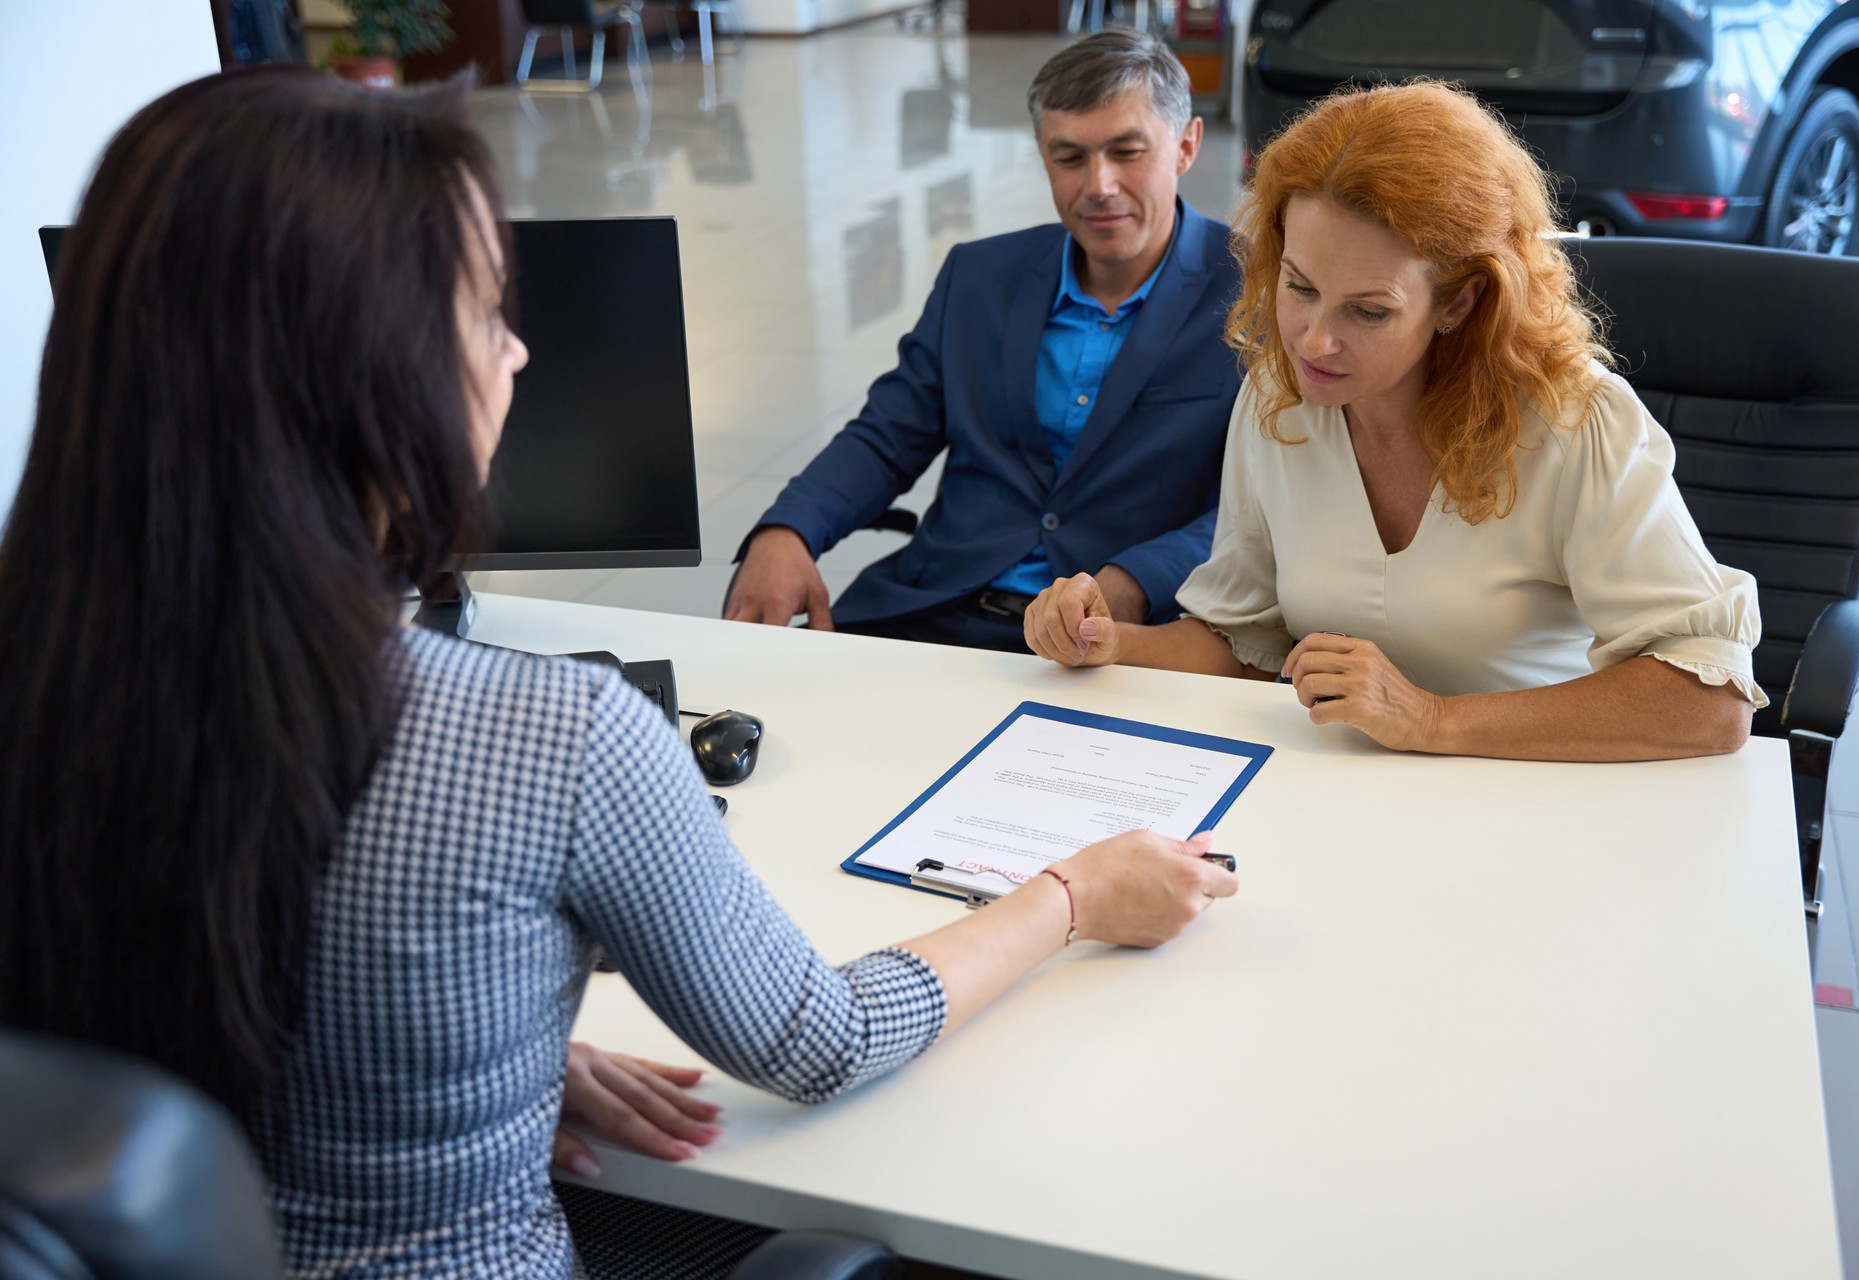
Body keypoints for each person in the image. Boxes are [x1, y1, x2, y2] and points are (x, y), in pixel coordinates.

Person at [0, 69, 1238, 1279]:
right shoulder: (554, 734)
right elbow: (821, 1039)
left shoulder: (56, 680)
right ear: (380, 377)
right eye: (490, 312)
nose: (521, 355)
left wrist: (478, 1054)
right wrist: (1071, 893)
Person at [1023, 81, 1764, 763]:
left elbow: (1711, 703)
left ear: (1459, 303)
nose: (1315, 340)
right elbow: (1242, 642)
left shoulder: (1576, 423)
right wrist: (1109, 644)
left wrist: (1432, 719)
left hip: (1538, 802)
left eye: (1368, 311)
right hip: (1351, 797)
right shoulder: (1282, 399)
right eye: (1300, 288)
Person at [723, 30, 1241, 652]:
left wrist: (1129, 582)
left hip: (1120, 639)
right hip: (936, 609)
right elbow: (887, 436)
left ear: (1186, 146)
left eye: (1127, 152)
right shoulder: (978, 276)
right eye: (1069, 158)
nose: (1099, 185)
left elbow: (1260, 509)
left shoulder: (1260, 294)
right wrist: (787, 531)